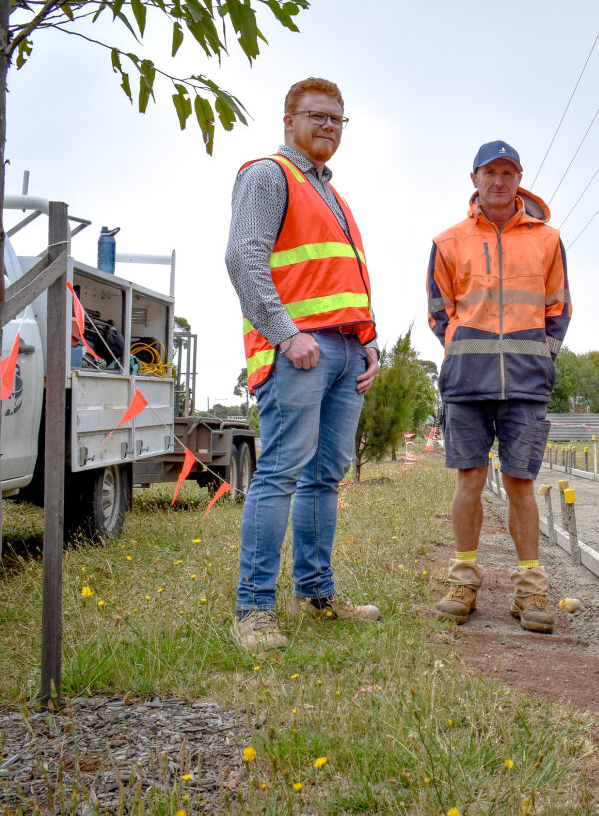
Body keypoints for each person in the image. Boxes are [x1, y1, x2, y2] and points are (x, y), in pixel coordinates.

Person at [225, 77, 382, 653]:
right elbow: (243, 260)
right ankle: (253, 611)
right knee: (281, 472)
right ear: (288, 120)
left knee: (323, 477)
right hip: (300, 350)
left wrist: (370, 341)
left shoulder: (333, 197)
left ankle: (316, 596)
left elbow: (341, 279)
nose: (327, 126)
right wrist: (287, 336)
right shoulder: (268, 174)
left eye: (337, 119)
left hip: (345, 352)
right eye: (316, 116)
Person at [427, 140, 571, 633]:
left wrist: (543, 358)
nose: (498, 181)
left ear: (519, 180)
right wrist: (459, 346)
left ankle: (530, 591)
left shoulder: (548, 240)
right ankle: (463, 581)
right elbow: (437, 310)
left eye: (508, 172)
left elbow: (559, 308)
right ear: (474, 180)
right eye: (489, 172)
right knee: (468, 480)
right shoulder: (448, 242)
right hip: (467, 384)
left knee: (520, 483)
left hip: (527, 385)